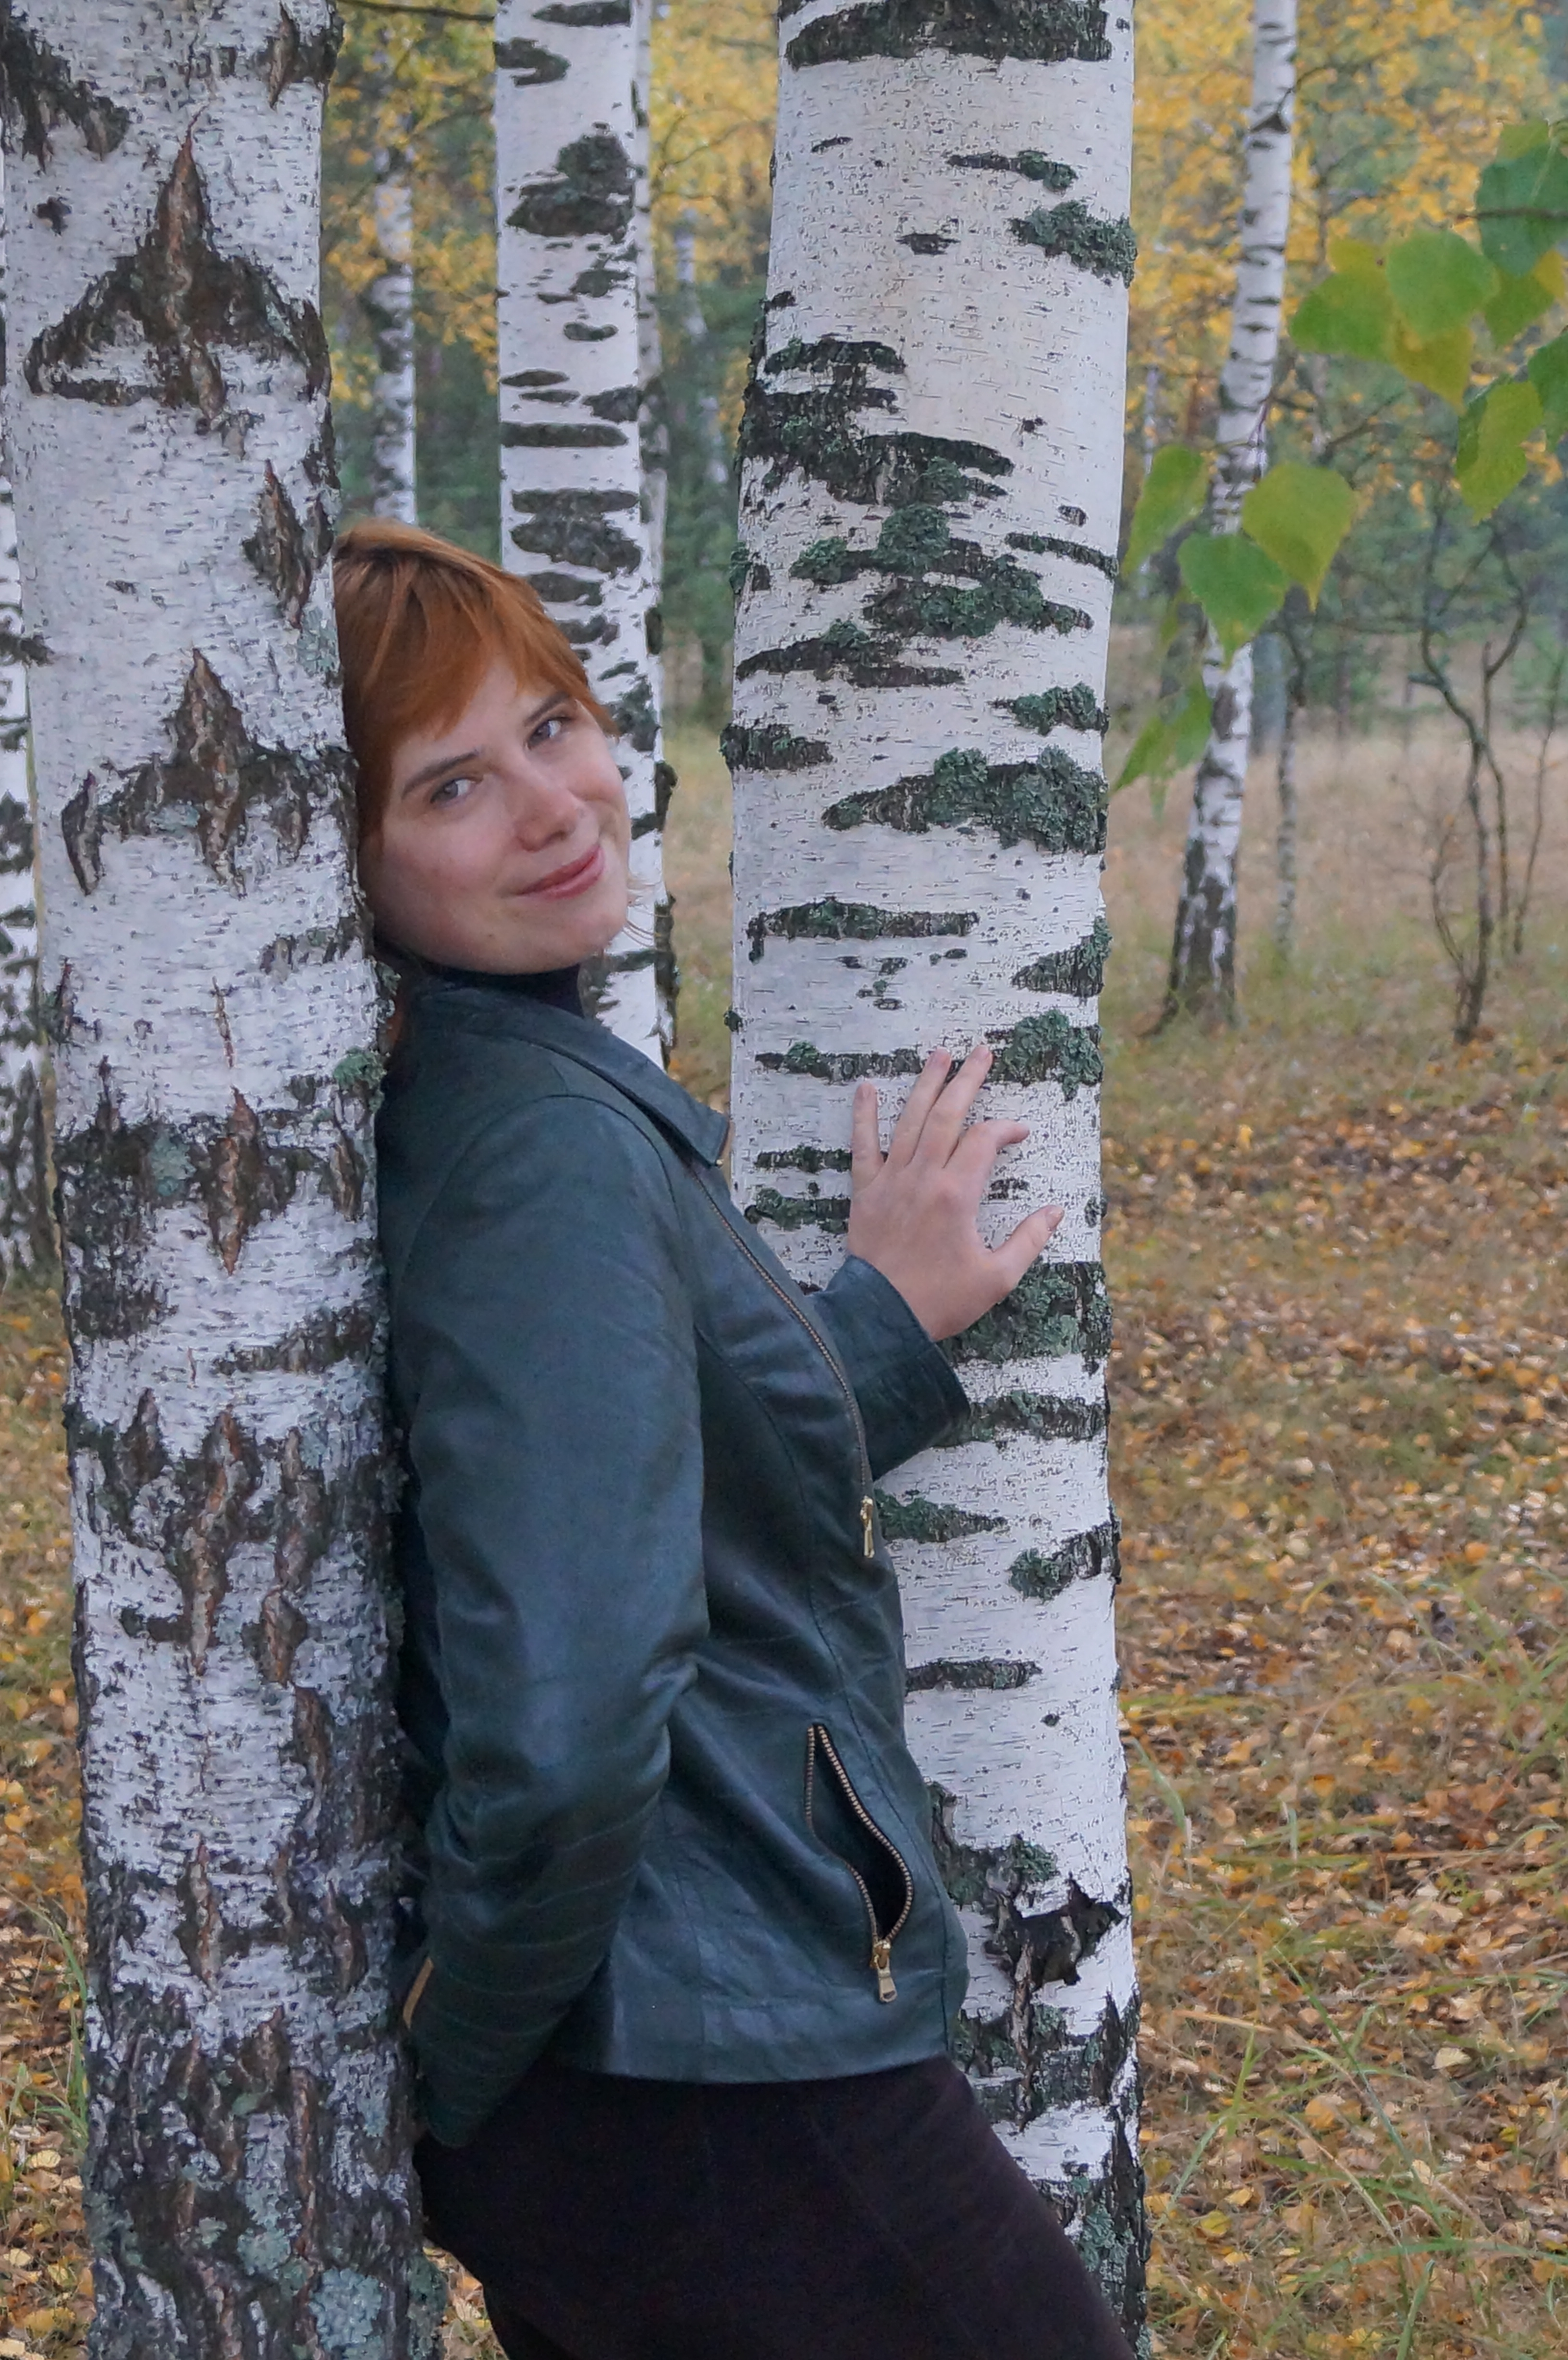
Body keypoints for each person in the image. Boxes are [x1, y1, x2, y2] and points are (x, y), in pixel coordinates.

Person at [334, 518, 1138, 2360]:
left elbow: (631, 1472)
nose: (554, 807)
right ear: (350, 859)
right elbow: (566, 1716)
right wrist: (452, 2073)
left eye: (552, 726)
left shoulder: (515, 1094)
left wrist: (874, 1329)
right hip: (701, 2079)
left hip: (664, 2064)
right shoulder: (539, 1151)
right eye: (453, 784)